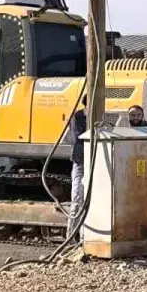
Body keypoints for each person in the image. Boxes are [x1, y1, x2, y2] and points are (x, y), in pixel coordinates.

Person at [67, 96, 87, 236]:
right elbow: (78, 136)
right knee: (77, 197)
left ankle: (84, 236)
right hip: (80, 160)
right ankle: (71, 235)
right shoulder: (78, 116)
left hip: (96, 160)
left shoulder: (103, 116)